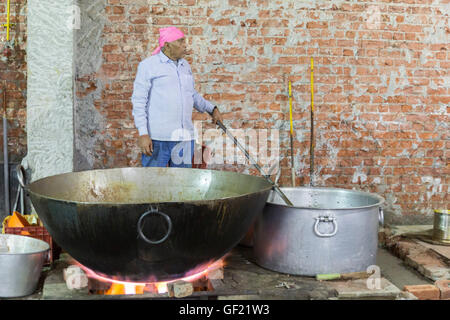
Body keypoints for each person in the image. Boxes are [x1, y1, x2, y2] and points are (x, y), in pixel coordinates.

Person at [132, 26, 223, 168]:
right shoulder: (148, 66)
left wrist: (212, 109)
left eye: (184, 41)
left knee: (183, 185)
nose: (184, 45)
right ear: (167, 45)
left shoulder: (184, 65)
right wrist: (143, 133)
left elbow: (191, 94)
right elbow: (138, 102)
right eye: (180, 42)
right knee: (153, 184)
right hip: (158, 139)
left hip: (185, 138)